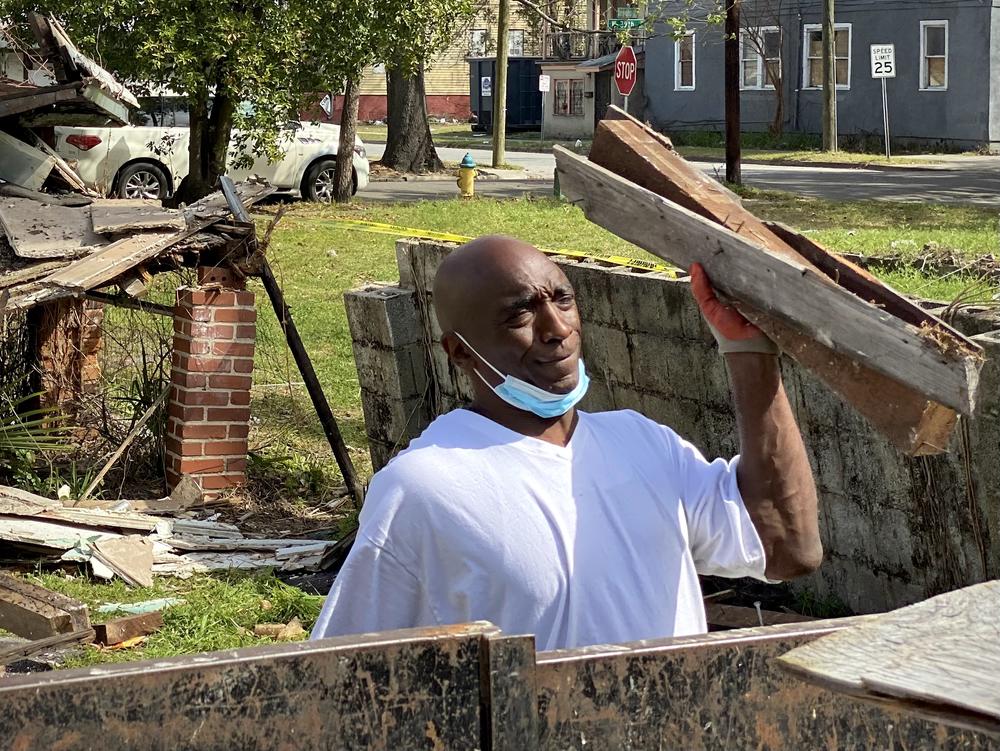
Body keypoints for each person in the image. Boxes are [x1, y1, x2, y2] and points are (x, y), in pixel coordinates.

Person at [311, 235, 821, 651]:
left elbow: (788, 548)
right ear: (459, 352)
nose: (557, 329)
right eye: (519, 315)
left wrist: (747, 349)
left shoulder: (643, 444)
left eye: (562, 299)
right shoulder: (424, 488)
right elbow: (344, 677)